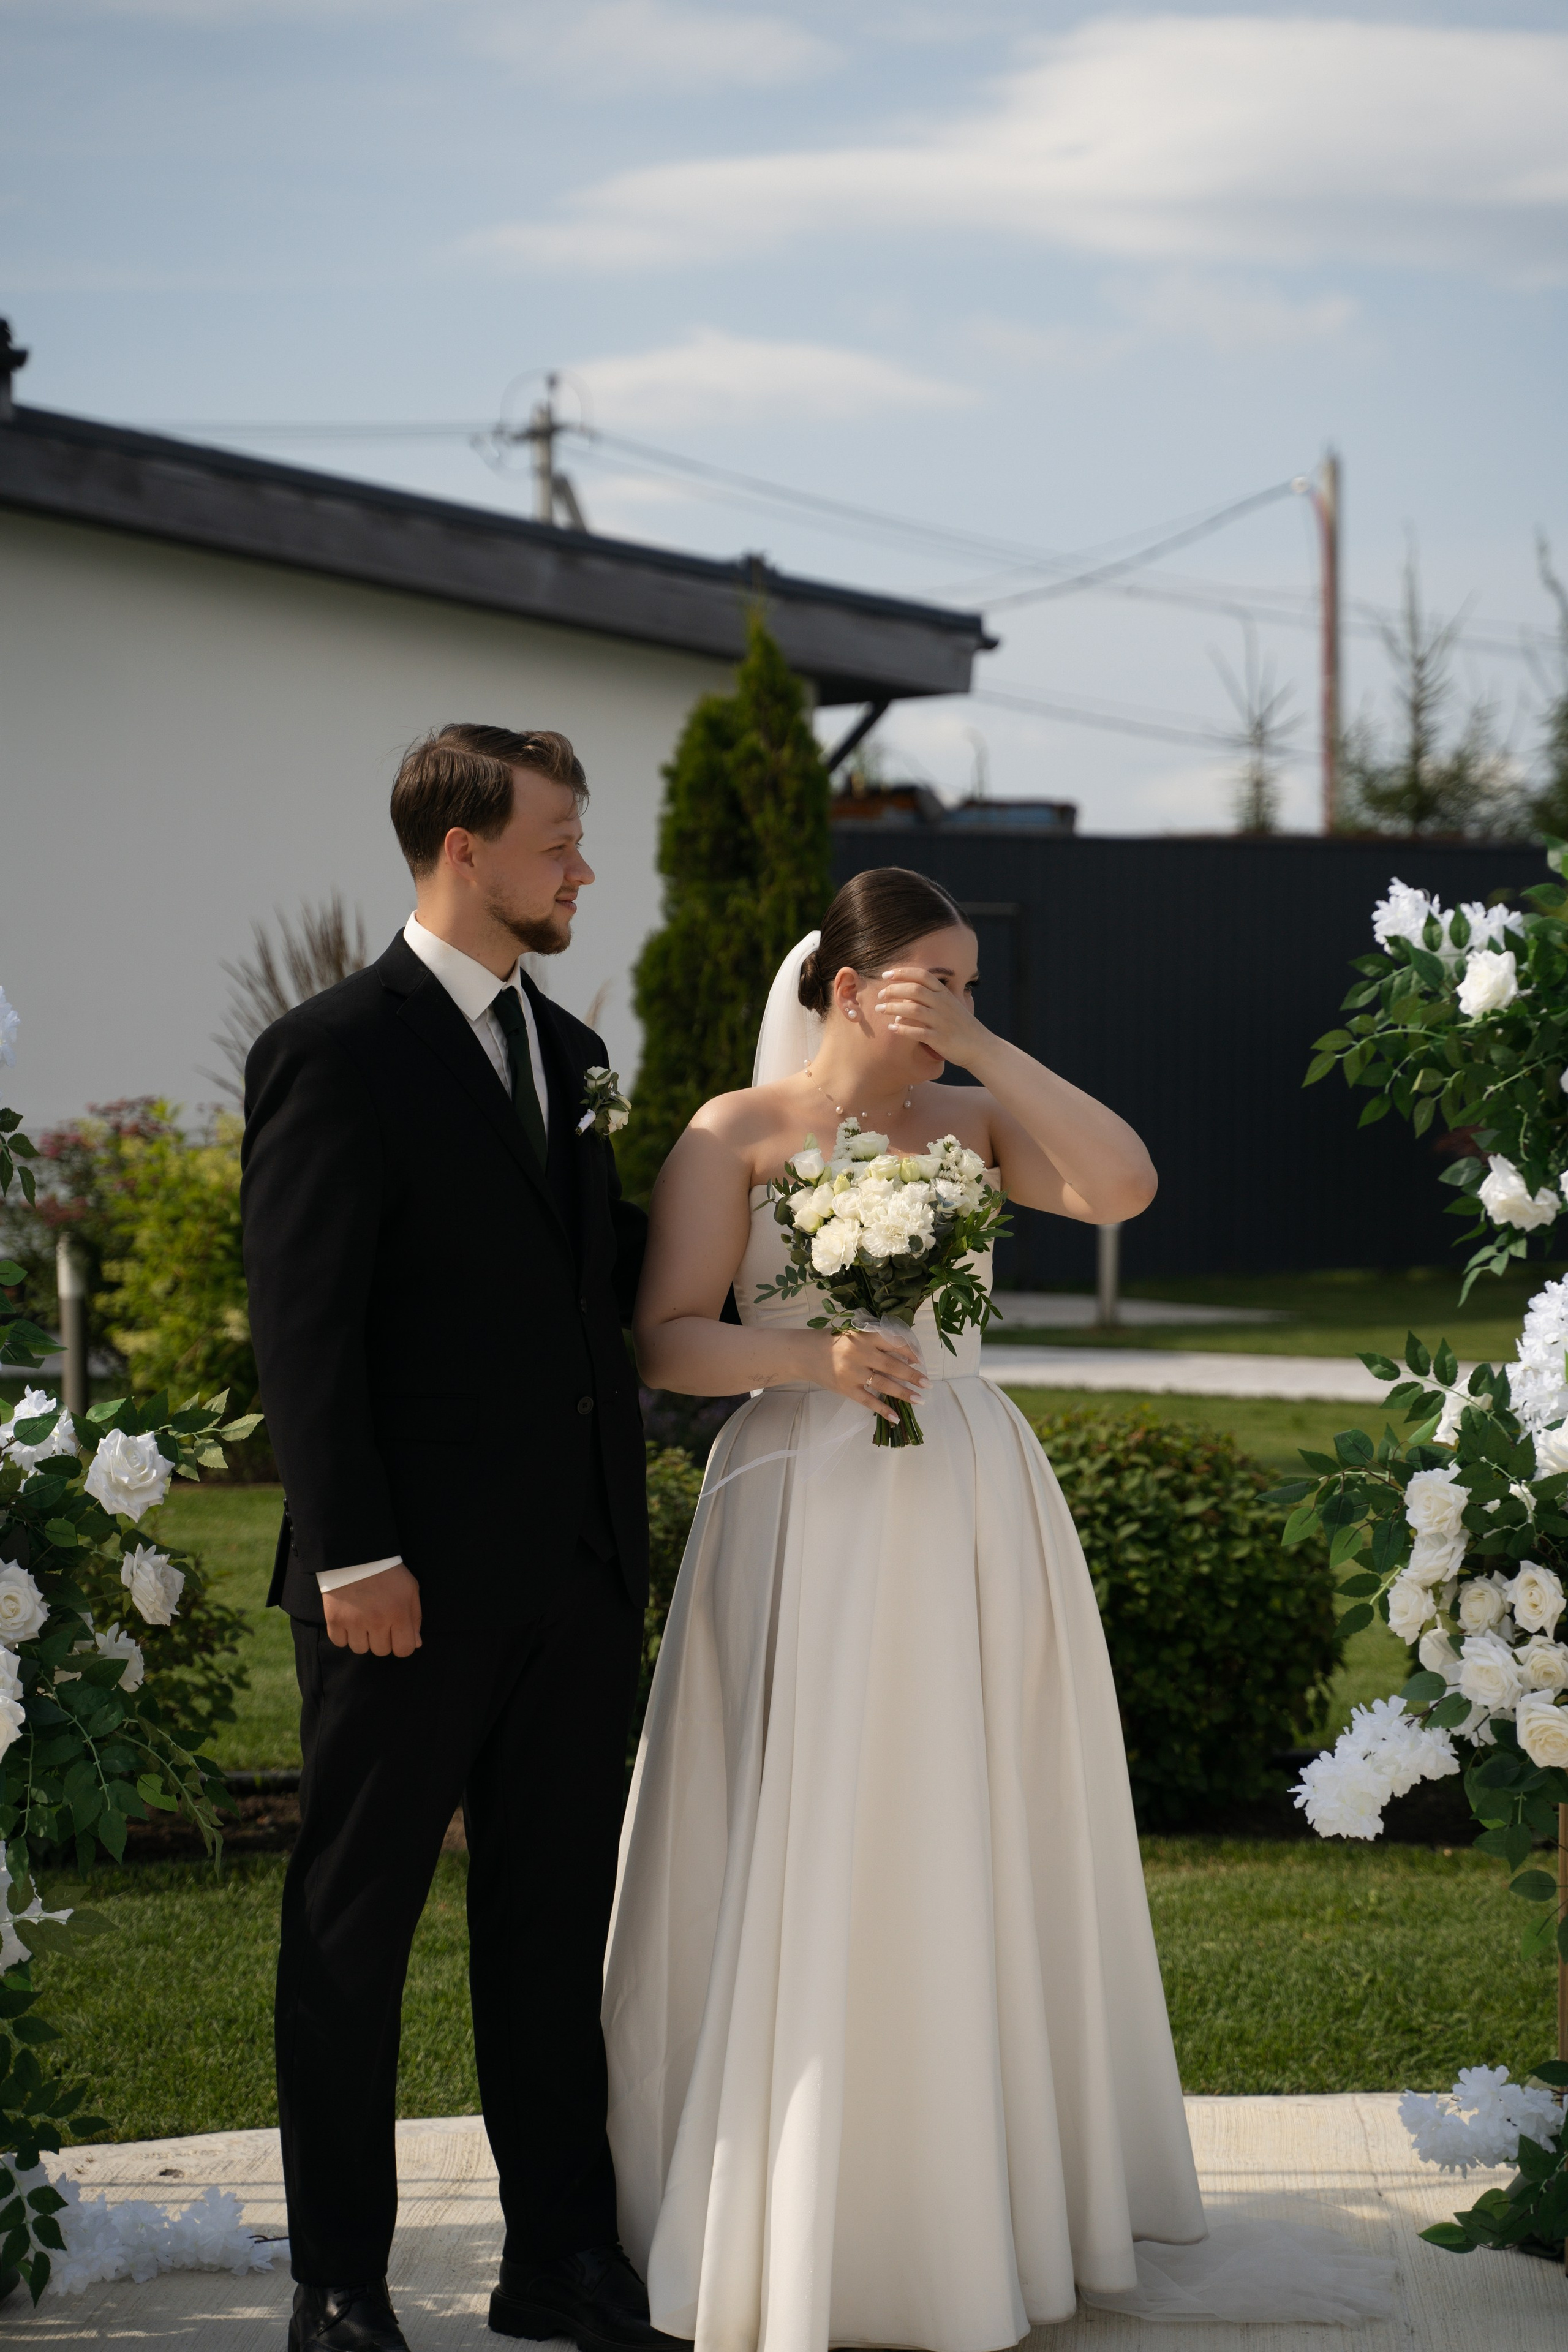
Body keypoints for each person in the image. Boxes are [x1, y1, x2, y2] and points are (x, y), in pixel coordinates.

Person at [605, 865, 1393, 2348]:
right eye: (936, 984)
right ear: (847, 987)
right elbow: (659, 1339)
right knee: (814, 1816)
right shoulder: (738, 1134)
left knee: (965, 1817)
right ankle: (788, 2201)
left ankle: (977, 2195)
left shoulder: (971, 1122)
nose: (958, 1006)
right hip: (799, 1502)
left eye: (970, 983)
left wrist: (983, 1054)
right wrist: (812, 1362)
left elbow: (1120, 1186)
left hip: (969, 1495)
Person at [241, 726, 676, 2352]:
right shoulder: (335, 1049)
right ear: (463, 852)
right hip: (400, 1591)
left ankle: (556, 2258)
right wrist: (355, 1554)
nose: (582, 870)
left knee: (552, 1933)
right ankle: (337, 2282)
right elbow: (304, 1320)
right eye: (559, 841)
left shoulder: (564, 1054)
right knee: (352, 1936)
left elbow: (599, 1284)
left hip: (569, 1579)